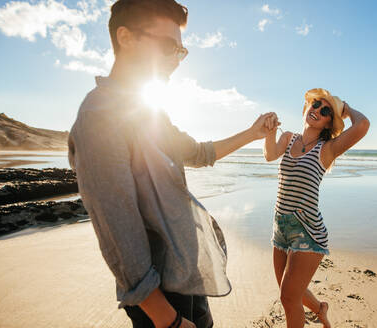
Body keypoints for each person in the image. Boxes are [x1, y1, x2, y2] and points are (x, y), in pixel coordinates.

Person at [67, 0, 279, 327]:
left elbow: (199, 153)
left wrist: (252, 133)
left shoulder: (149, 111)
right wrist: (169, 320)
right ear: (125, 38)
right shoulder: (99, 116)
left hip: (184, 274)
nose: (177, 61)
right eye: (168, 46)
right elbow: (119, 234)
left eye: (181, 51)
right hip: (161, 299)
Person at [263, 88, 370, 328]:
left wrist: (346, 108)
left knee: (288, 298)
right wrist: (269, 133)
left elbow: (363, 125)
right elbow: (270, 155)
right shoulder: (288, 137)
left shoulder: (328, 149)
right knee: (291, 291)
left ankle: (318, 311)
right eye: (315, 105)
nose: (317, 111)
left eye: (325, 111)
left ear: (329, 123)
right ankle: (321, 309)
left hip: (308, 232)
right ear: (306, 108)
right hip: (280, 227)